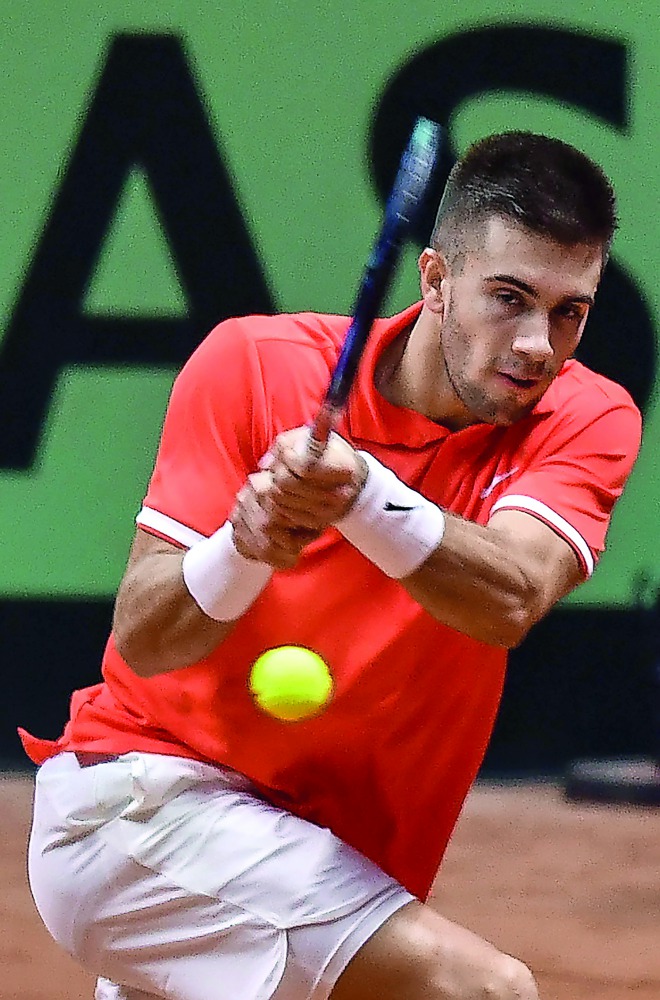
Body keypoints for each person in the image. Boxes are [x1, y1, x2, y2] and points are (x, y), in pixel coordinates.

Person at [22, 131, 641, 1000]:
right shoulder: (250, 365)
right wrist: (242, 546)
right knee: (485, 991)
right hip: (143, 814)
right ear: (434, 281)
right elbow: (146, 640)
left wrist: (361, 495)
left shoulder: (586, 418)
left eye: (569, 311)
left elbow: (511, 596)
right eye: (509, 297)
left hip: (319, 859)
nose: (538, 343)